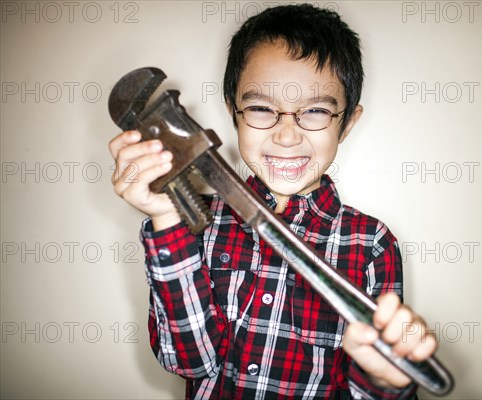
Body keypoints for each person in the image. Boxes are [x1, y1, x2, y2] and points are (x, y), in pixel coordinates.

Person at [109, 4, 437, 399]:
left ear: (347, 122)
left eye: (315, 111)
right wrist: (164, 217)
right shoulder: (193, 226)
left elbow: (367, 386)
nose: (286, 135)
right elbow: (189, 362)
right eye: (262, 108)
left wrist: (383, 380)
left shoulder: (372, 244)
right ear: (233, 112)